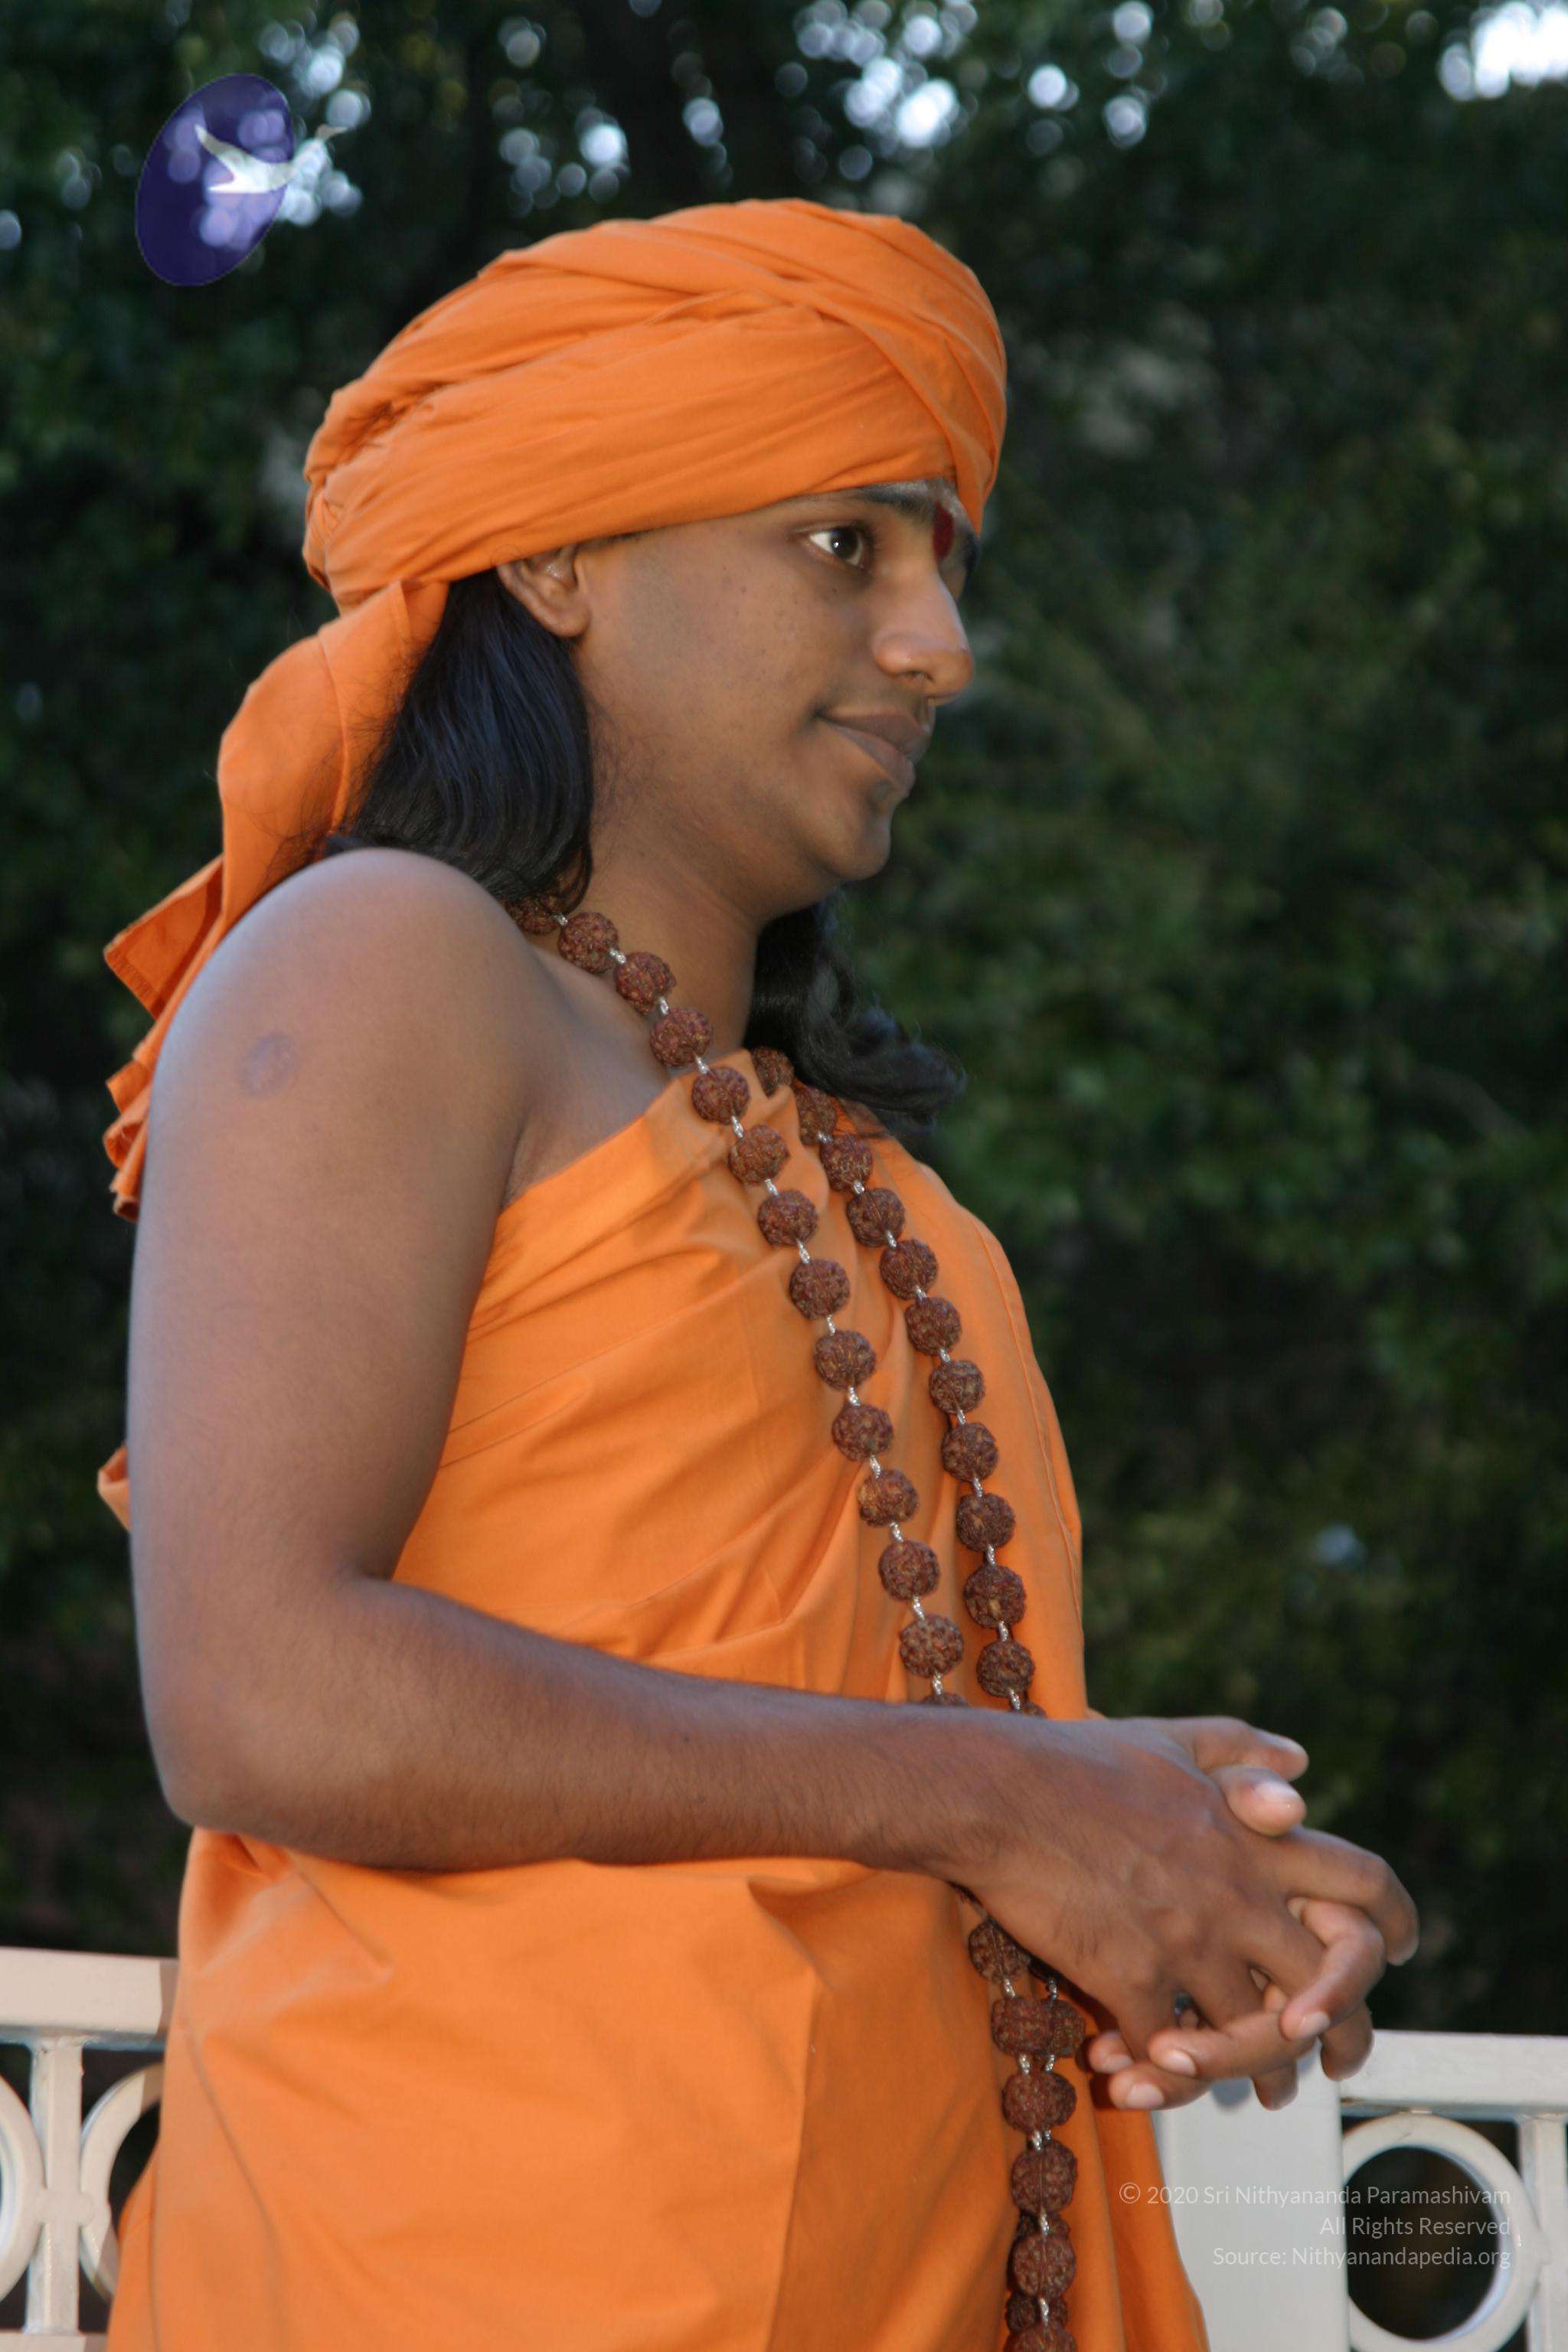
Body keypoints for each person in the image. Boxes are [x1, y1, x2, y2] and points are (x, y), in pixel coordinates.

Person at [96, 198, 1416, 2351]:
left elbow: (767, 1691)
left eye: (944, 565)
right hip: (475, 2277)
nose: (938, 644)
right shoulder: (387, 956)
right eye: (844, 546)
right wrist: (996, 1792)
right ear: (557, 557)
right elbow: (260, 1691)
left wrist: (1162, 1847)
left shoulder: (861, 1170)